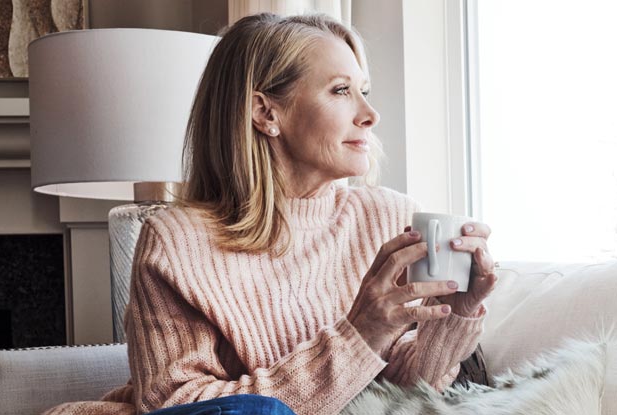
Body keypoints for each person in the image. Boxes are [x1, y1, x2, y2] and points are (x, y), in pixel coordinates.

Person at [43, 13, 497, 415]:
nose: (370, 114)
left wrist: (458, 312)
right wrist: (357, 335)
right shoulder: (177, 241)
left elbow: (404, 389)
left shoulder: (388, 216)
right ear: (265, 111)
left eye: (364, 91)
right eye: (341, 91)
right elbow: (176, 407)